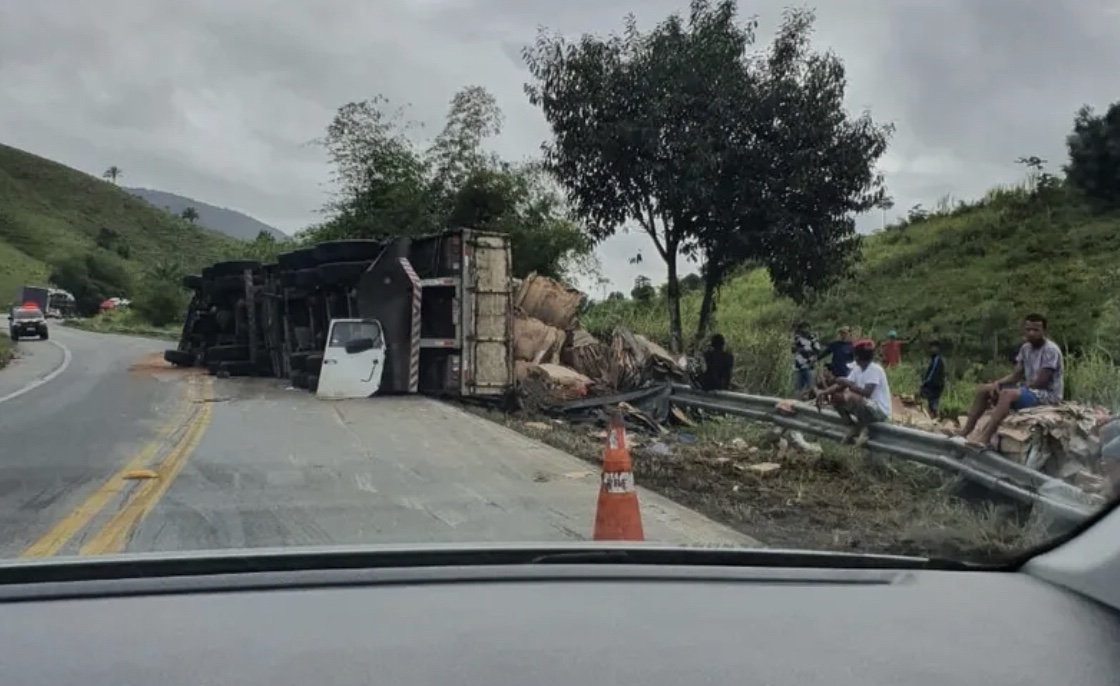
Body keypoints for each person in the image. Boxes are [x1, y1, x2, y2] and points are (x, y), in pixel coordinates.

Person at [954, 314, 1064, 450]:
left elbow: (1040, 382)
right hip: (1030, 391)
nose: (1031, 333)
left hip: (1047, 395)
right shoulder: (1026, 348)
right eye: (1028, 329)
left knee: (1007, 394)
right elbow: (1016, 375)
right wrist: (996, 384)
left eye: (1036, 330)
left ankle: (984, 438)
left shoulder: (1050, 350)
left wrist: (1013, 390)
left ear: (1044, 332)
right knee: (984, 390)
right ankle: (965, 431)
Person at [819, 339, 892, 445]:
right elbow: (841, 385)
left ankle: (864, 429)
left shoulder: (875, 370)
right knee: (836, 397)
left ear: (857, 356)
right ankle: (853, 427)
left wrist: (848, 384)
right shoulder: (857, 369)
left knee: (853, 397)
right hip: (866, 409)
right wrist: (824, 392)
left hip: (879, 411)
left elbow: (866, 392)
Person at [790, 321, 821, 399]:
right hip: (798, 366)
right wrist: (797, 346)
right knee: (798, 388)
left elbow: (817, 350)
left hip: (809, 366)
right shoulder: (797, 338)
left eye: (806, 328)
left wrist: (806, 352)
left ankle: (809, 404)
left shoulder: (813, 338)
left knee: (810, 388)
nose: (804, 330)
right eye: (802, 328)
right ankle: (797, 403)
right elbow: (793, 350)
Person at [919, 339, 946, 418]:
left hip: (935, 385)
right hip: (935, 385)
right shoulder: (934, 359)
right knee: (932, 401)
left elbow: (932, 373)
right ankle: (933, 415)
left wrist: (924, 383)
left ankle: (934, 415)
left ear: (937, 349)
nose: (931, 349)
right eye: (931, 347)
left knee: (933, 401)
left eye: (934, 347)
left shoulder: (937, 360)